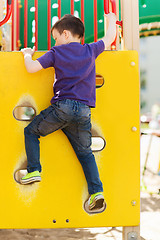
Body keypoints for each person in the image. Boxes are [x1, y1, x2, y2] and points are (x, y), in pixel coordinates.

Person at [21, 13, 116, 213]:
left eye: (55, 37)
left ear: (65, 34)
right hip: (83, 112)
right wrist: (112, 19)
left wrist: (27, 54)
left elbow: (31, 68)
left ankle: (34, 170)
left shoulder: (57, 52)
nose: (54, 41)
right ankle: (97, 193)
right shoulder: (90, 50)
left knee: (31, 131)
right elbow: (109, 38)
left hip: (62, 107)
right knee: (85, 153)